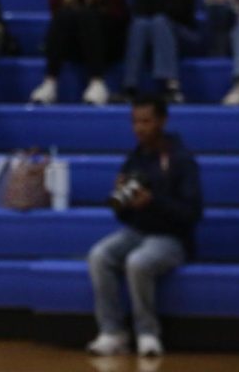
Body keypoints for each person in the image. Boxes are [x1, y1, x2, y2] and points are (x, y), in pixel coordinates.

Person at [86, 96, 202, 359]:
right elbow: (124, 218)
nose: (139, 128)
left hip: (173, 238)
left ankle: (147, 333)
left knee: (138, 262)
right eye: (135, 122)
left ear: (162, 121)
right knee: (99, 255)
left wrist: (153, 202)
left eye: (146, 121)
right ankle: (112, 331)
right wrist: (123, 203)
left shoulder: (182, 160)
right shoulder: (134, 159)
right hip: (139, 231)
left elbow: (192, 213)